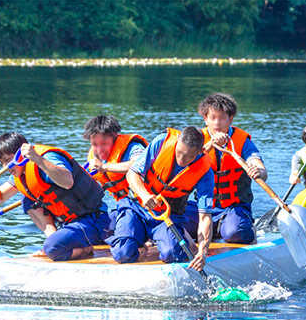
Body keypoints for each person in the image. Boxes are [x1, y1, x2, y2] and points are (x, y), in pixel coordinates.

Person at [0, 132, 110, 261]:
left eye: (7, 160)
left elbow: (67, 182)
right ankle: (55, 239)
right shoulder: (21, 173)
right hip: (71, 223)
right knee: (27, 199)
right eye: (2, 163)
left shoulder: (47, 158)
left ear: (20, 154)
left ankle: (84, 249)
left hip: (94, 219)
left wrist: (38, 159)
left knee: (53, 249)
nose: (6, 167)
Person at [106, 126, 214, 271]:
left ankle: (179, 238)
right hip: (137, 208)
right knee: (122, 253)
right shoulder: (162, 142)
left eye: (189, 156)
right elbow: (132, 174)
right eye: (179, 152)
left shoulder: (205, 173)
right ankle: (139, 242)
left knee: (172, 254)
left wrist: (203, 251)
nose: (181, 159)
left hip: (167, 216)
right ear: (177, 144)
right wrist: (145, 195)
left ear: (201, 151)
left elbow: (205, 217)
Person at [187, 93, 266, 244]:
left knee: (234, 233)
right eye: (213, 117)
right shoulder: (196, 140)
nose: (217, 123)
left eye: (222, 117)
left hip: (233, 207)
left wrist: (258, 171)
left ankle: (245, 229)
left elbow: (258, 164)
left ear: (231, 119)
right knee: (172, 221)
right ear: (205, 119)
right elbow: (187, 163)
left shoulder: (242, 141)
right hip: (204, 208)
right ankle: (213, 231)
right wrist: (210, 145)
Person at [82, 115, 148, 236]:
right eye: (95, 144)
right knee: (99, 232)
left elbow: (139, 164)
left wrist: (104, 167)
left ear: (114, 136)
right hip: (123, 207)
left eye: (104, 143)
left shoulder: (133, 147)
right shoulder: (94, 157)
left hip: (147, 207)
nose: (99, 149)